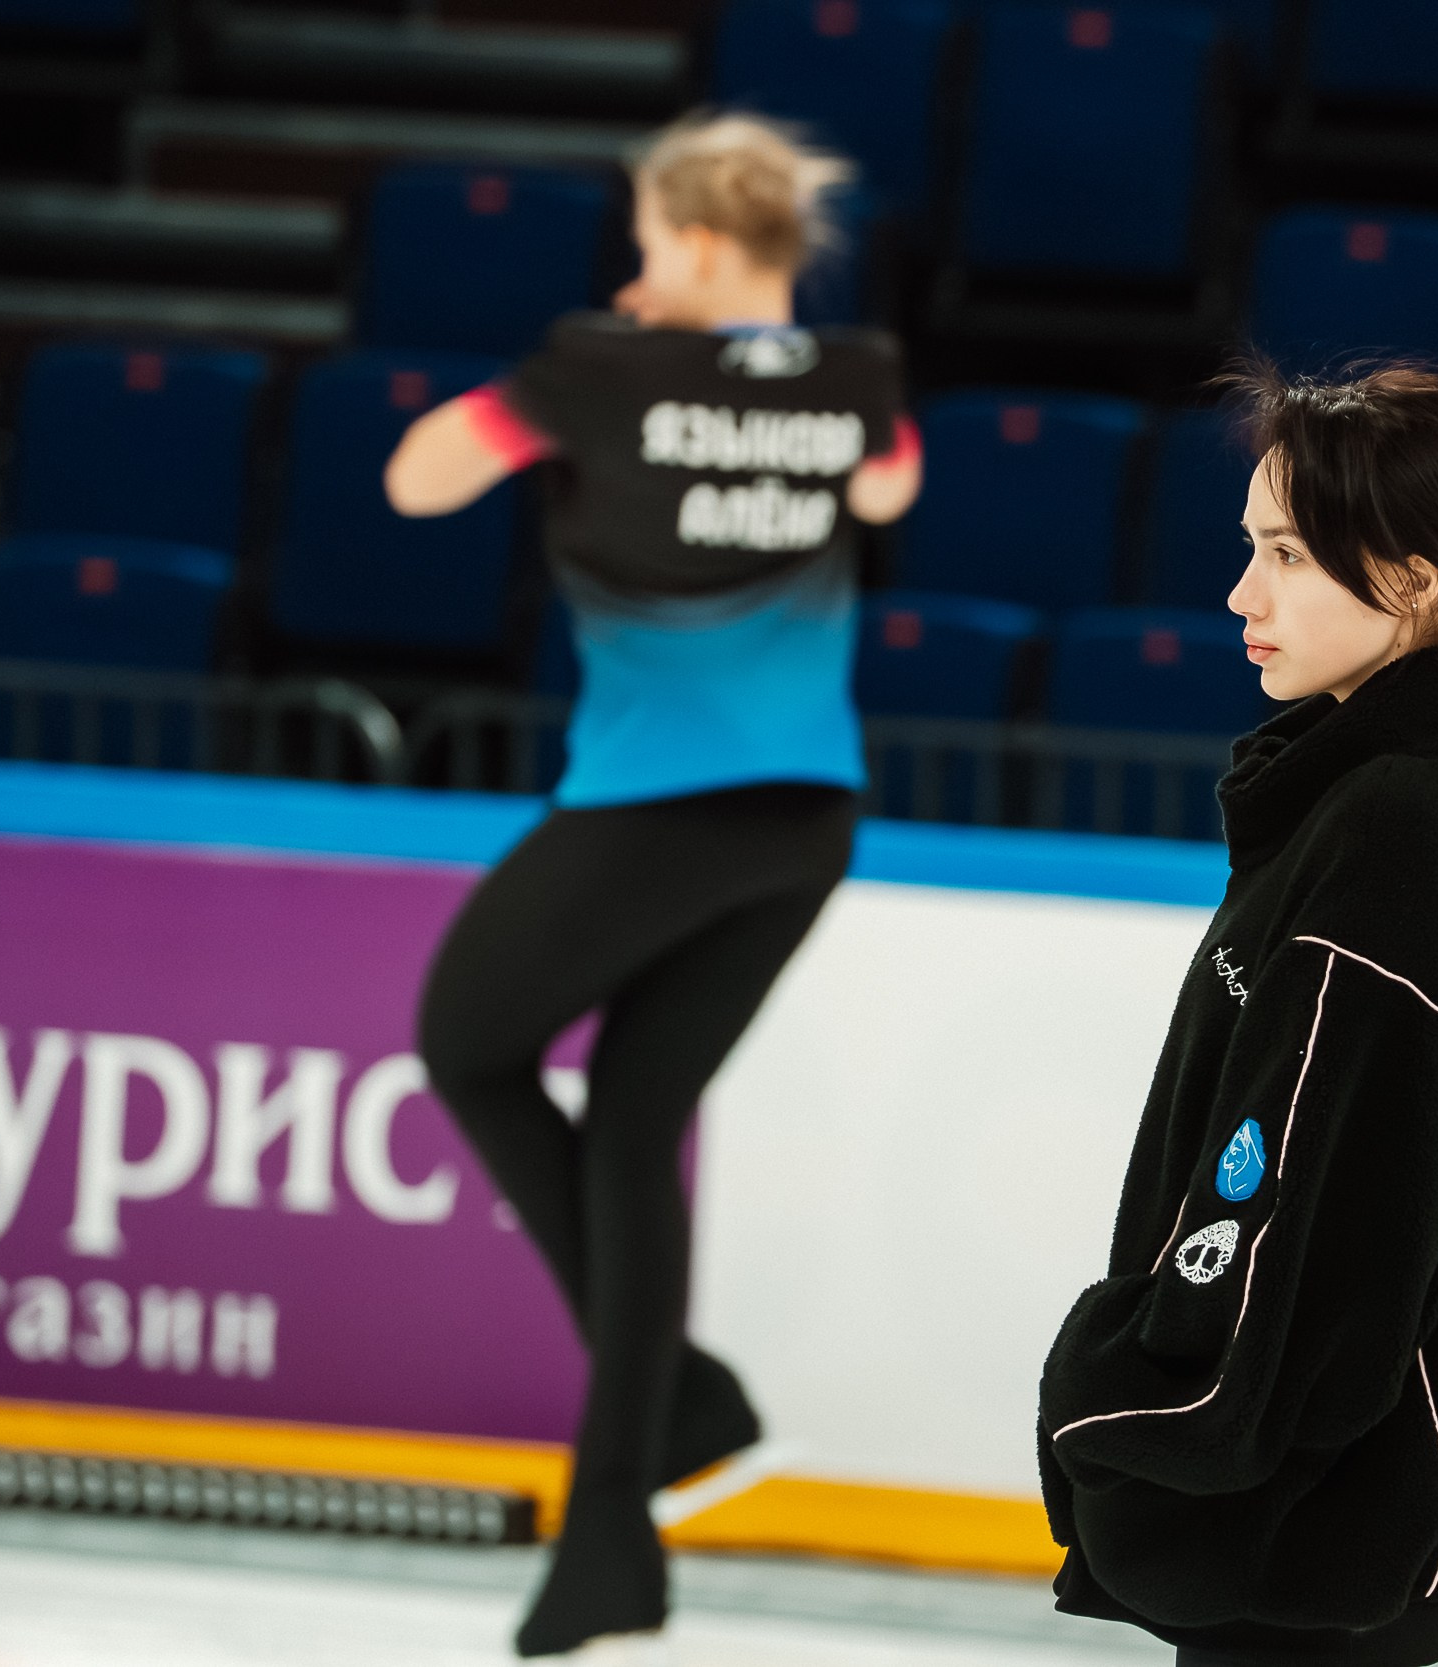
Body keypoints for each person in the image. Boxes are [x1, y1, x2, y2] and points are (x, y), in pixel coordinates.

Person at [387, 113, 921, 1658]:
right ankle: (620, 1514)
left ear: (689, 244)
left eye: (644, 244)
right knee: (630, 1126)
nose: (633, 271)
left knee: (468, 1042)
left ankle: (682, 1398)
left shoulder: (596, 369)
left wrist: (596, 381)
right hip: (806, 821)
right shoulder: (860, 381)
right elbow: (885, 496)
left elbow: (422, 481)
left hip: (651, 812)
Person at [1036, 361, 1438, 1667]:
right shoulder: (1414, 787)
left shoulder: (1398, 824)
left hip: (1312, 1526)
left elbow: (1320, 1211)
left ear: (1411, 581)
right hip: (1340, 1518)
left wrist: (1131, 1389)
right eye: (1251, 550)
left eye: (1286, 555)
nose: (1243, 595)